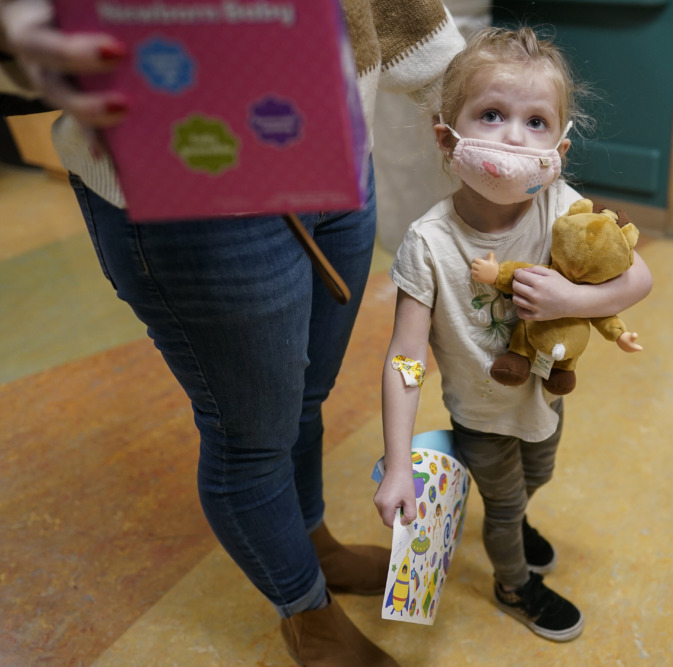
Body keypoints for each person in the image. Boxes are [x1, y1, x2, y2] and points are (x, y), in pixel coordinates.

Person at [0, 1, 464, 665]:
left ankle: (311, 540)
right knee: (251, 439)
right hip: (195, 191)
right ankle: (306, 610)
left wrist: (475, 92)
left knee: (305, 394)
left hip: (335, 150)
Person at [373, 26, 652, 643]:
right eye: (492, 114)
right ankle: (513, 584)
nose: (511, 136)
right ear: (447, 136)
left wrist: (574, 298)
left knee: (537, 476)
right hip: (480, 411)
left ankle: (517, 517)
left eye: (535, 122)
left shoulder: (559, 204)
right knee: (502, 506)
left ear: (560, 150)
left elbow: (640, 277)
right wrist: (398, 466)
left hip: (545, 395)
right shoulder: (429, 243)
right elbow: (404, 359)